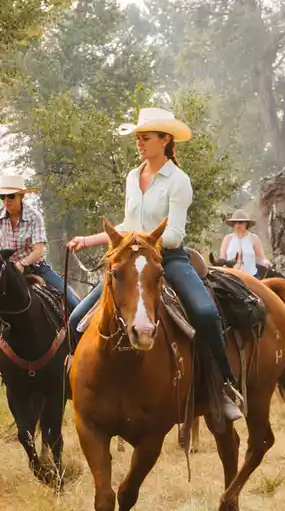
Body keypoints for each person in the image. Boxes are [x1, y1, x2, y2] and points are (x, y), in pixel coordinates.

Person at [65, 107, 244, 420]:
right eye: (137, 137)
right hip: (131, 256)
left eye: (145, 137)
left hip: (168, 258)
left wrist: (139, 242)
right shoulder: (133, 176)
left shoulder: (179, 181)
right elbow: (126, 223)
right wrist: (90, 239)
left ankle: (222, 385)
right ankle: (73, 383)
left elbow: (173, 234)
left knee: (204, 312)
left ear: (165, 140)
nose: (139, 142)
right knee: (78, 316)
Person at [0, 172, 78, 374]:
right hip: (8, 275)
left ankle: (79, 357)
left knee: (74, 302)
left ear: (22, 196)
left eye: (11, 196)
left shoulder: (34, 217)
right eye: (2, 197)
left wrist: (22, 264)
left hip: (36, 266)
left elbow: (39, 249)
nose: (7, 201)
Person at [219, 210, 270, 277]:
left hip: (251, 277)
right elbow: (222, 259)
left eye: (240, 222)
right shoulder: (227, 239)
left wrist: (266, 262)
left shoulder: (254, 238)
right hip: (231, 277)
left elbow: (262, 258)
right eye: (235, 222)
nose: (237, 225)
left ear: (246, 223)